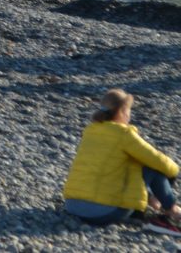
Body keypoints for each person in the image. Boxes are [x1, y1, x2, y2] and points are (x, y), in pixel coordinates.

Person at [63, 88, 181, 234]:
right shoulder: (123, 134)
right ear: (122, 112)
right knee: (150, 166)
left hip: (73, 206)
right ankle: (172, 210)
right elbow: (158, 161)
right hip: (103, 212)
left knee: (123, 164)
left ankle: (146, 204)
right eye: (129, 111)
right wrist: (174, 171)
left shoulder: (91, 130)